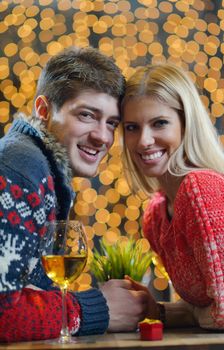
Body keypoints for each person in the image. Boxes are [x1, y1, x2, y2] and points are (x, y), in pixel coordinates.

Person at [0, 46, 128, 342]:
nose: (103, 137)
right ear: (43, 111)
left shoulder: (38, 163)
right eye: (86, 115)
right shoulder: (22, 170)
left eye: (112, 123)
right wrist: (95, 307)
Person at [102, 63, 224, 331]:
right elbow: (204, 306)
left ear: (186, 124)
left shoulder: (201, 189)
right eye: (131, 128)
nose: (144, 141)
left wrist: (197, 314)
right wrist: (156, 311)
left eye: (159, 123)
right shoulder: (156, 216)